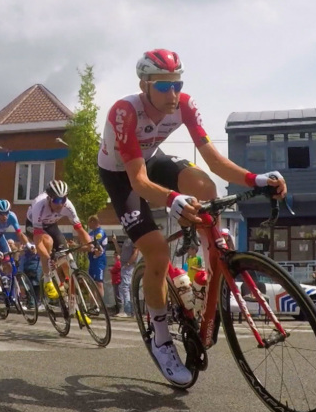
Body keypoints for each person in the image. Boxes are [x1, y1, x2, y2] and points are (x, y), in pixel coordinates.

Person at [97, 49, 287, 384]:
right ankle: (161, 339)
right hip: (121, 174)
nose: (173, 93)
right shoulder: (125, 111)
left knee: (204, 187)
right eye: (164, 86)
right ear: (144, 85)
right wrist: (172, 199)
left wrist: (255, 179)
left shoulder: (184, 103)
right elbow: (138, 182)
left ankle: (207, 265)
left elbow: (213, 160)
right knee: (156, 250)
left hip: (152, 159)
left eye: (177, 84)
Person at [26, 180, 91, 301]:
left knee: (64, 255)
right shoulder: (39, 206)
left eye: (63, 199)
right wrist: (48, 257)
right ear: (49, 199)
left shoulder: (68, 206)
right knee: (48, 242)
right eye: (56, 200)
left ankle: (69, 293)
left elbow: (80, 230)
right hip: (34, 227)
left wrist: (91, 245)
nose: (60, 204)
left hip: (51, 226)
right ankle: (47, 279)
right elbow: (38, 240)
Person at [0, 199, 32, 294]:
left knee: (8, 262)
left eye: (6, 213)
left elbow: (20, 234)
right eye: (1, 214)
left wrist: (28, 244)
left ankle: (6, 282)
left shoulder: (12, 216)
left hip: (0, 236)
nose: (5, 216)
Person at [87, 216, 108, 297]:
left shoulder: (100, 232)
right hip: (92, 260)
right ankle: (92, 305)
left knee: (99, 282)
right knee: (92, 283)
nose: (88, 225)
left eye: (89, 222)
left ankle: (100, 306)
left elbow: (94, 245)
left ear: (93, 222)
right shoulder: (91, 233)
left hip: (99, 260)